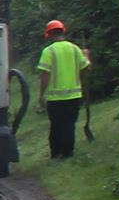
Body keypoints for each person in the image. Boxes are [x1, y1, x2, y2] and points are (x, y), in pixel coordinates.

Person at [38, 19, 91, 159]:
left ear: (48, 35)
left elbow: (45, 75)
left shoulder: (48, 52)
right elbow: (86, 67)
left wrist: (41, 95)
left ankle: (56, 154)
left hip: (55, 99)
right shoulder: (74, 49)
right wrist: (86, 55)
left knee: (56, 126)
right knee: (69, 126)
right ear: (63, 32)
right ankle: (68, 154)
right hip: (73, 96)